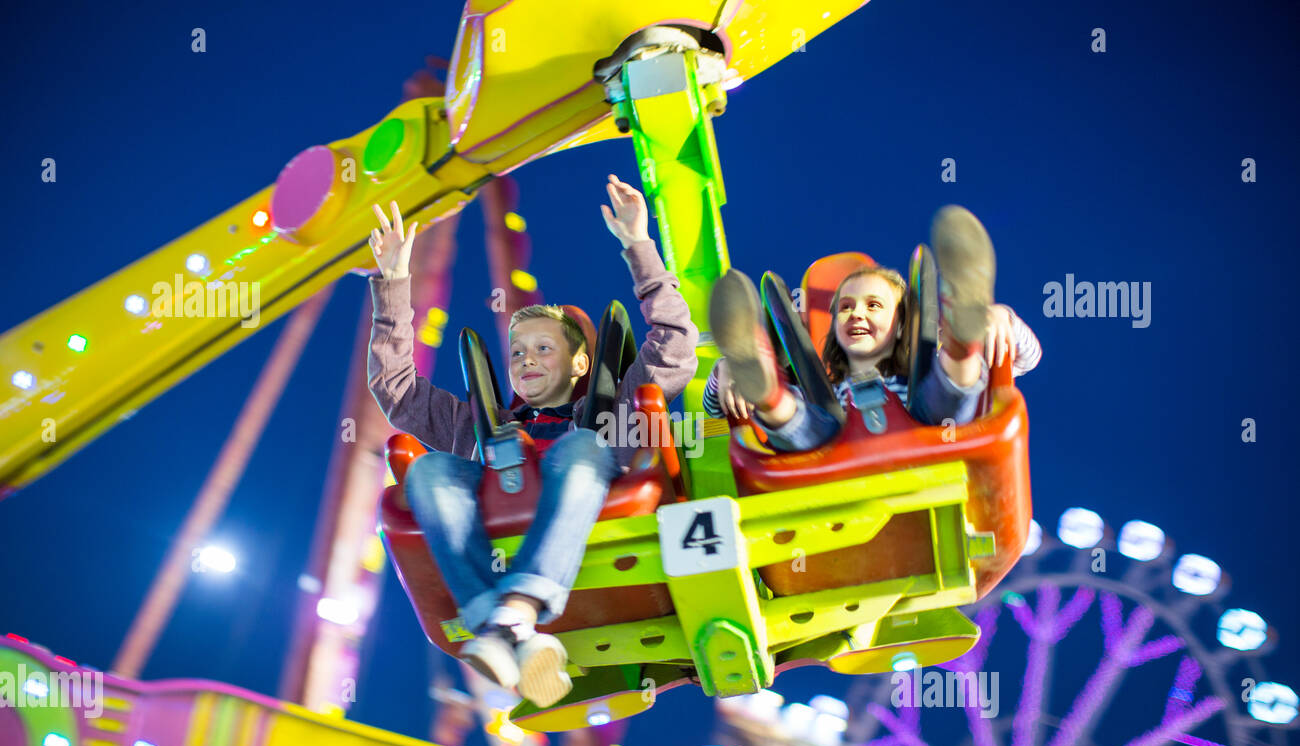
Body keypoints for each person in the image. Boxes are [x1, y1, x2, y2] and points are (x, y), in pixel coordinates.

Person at [366, 176, 698, 708]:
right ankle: (500, 627)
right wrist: (394, 283)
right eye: (517, 352)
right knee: (426, 470)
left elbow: (677, 348)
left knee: (583, 447)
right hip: (501, 512)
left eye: (543, 348)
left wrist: (639, 247)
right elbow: (396, 390)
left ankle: (517, 607)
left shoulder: (615, 408)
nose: (525, 360)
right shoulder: (483, 425)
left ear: (580, 363)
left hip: (607, 510)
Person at [704, 205, 1041, 449]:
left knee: (942, 393)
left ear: (900, 327)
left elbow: (1028, 357)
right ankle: (768, 392)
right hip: (834, 454)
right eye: (845, 308)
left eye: (874, 306)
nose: (856, 315)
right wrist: (727, 371)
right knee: (808, 419)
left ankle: (963, 340)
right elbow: (713, 407)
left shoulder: (919, 376)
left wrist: (1000, 319)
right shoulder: (818, 387)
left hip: (925, 437)